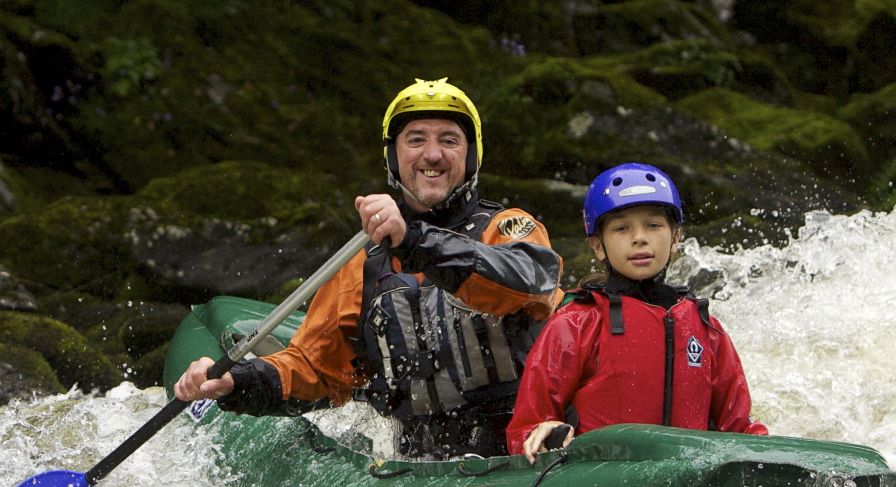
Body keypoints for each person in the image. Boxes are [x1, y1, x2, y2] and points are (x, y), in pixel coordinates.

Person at [173, 78, 564, 459]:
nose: (432, 154)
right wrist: (236, 381)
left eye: (449, 140)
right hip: (418, 466)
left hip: (519, 449)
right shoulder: (361, 262)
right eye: (416, 140)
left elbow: (532, 282)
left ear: (470, 156)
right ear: (394, 157)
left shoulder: (507, 228)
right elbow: (316, 368)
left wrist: (414, 241)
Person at [508, 162, 767, 459]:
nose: (639, 237)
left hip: (686, 483)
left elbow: (739, 429)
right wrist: (541, 432)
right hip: (603, 485)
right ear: (598, 246)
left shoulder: (707, 329)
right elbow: (525, 428)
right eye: (621, 228)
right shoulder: (575, 324)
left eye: (653, 225)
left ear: (675, 237)